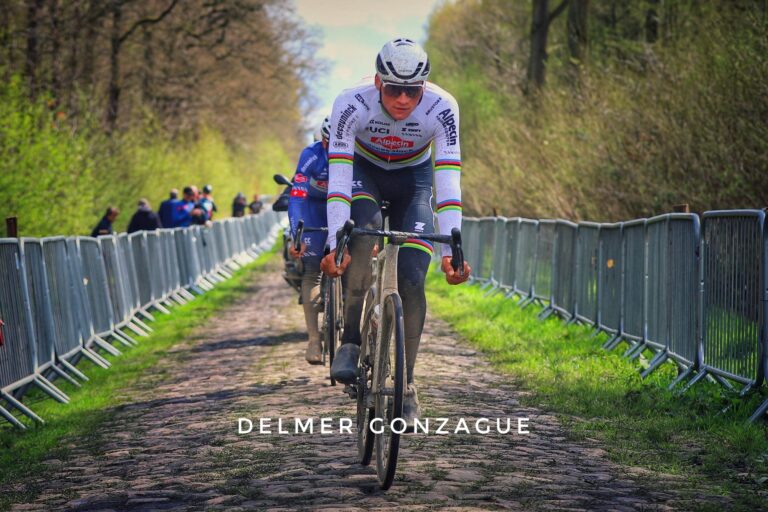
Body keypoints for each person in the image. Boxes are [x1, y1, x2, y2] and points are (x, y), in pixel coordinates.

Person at [320, 38, 472, 425]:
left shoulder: (443, 107)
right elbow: (338, 179)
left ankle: (406, 385)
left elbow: (449, 184)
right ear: (377, 82)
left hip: (414, 181)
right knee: (364, 234)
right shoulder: (350, 103)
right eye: (393, 89)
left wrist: (452, 251)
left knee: (412, 278)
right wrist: (335, 243)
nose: (403, 100)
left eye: (413, 91)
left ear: (425, 86)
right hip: (363, 174)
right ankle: (350, 341)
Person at [289, 116, 331, 364]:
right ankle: (314, 340)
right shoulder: (311, 155)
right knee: (312, 271)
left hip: (344, 208)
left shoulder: (359, 153)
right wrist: (298, 234)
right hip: (314, 209)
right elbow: (297, 197)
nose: (331, 147)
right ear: (322, 139)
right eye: (327, 141)